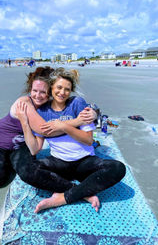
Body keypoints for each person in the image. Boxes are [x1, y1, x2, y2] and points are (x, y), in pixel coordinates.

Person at [16, 67, 126, 213]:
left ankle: (62, 198)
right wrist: (24, 122)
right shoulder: (42, 111)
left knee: (117, 168)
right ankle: (80, 191)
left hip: (84, 162)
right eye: (59, 87)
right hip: (59, 163)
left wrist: (64, 126)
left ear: (71, 91)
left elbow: (88, 140)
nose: (62, 92)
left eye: (67, 89)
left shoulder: (77, 103)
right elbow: (35, 149)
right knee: (25, 169)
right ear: (51, 87)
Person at [0, 66, 96, 189]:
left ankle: (71, 189)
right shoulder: (24, 103)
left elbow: (76, 104)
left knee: (27, 170)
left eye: (43, 92)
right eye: (34, 91)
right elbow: (45, 131)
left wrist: (93, 112)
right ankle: (7, 161)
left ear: (49, 92)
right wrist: (77, 121)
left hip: (21, 145)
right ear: (30, 90)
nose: (38, 96)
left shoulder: (47, 104)